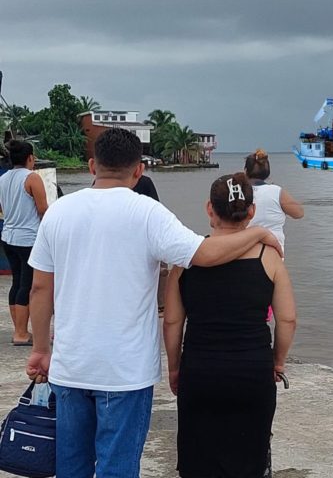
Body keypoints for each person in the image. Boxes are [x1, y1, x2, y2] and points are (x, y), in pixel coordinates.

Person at [25, 128, 282, 478]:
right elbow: (203, 254)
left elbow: (40, 289)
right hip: (126, 372)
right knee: (118, 468)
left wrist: (41, 348)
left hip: (71, 367)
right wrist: (258, 232)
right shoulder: (148, 213)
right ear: (138, 171)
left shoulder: (59, 212)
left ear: (91, 165)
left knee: (71, 467)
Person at [164, 172, 297, 477]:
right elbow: (287, 318)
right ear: (251, 211)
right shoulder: (269, 257)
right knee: (250, 457)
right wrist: (277, 361)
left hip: (200, 370)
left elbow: (172, 322)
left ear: (209, 209)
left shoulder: (187, 259)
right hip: (252, 372)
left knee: (199, 458)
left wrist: (174, 368)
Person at [0, 140, 48, 345]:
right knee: (27, 285)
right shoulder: (32, 178)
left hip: (8, 236)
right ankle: (21, 333)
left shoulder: (3, 179)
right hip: (28, 238)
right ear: (30, 158)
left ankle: (19, 329)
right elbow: (43, 209)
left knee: (17, 281)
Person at [245, 148, 304, 253]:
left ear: (246, 171)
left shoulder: (238, 192)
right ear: (267, 173)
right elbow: (299, 213)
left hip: (243, 251)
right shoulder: (276, 191)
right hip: (274, 254)